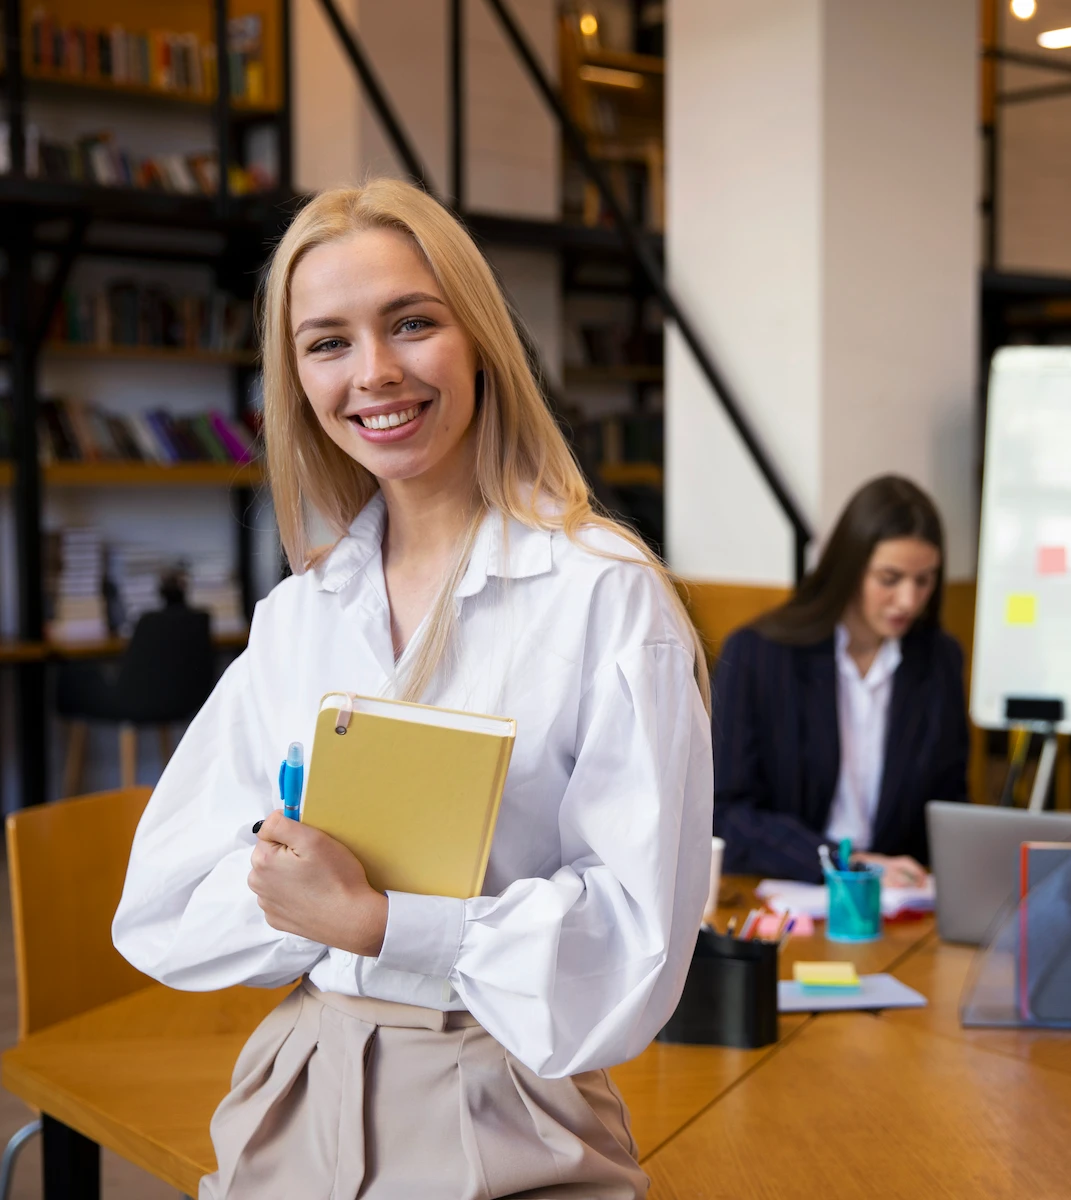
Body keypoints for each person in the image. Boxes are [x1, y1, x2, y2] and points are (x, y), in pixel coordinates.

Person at [112, 179, 713, 1199]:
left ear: (478, 336)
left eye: (412, 323)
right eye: (328, 342)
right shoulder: (299, 616)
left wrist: (384, 923)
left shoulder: (605, 597)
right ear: (296, 378)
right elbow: (162, 904)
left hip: (507, 1100)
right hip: (299, 1081)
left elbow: (634, 947)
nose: (375, 373)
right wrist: (300, 899)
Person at [712, 475, 968, 887]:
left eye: (924, 580)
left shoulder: (938, 661)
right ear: (849, 568)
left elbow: (949, 804)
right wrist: (846, 863)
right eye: (890, 579)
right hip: (787, 887)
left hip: (901, 900)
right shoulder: (758, 655)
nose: (908, 600)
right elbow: (726, 811)